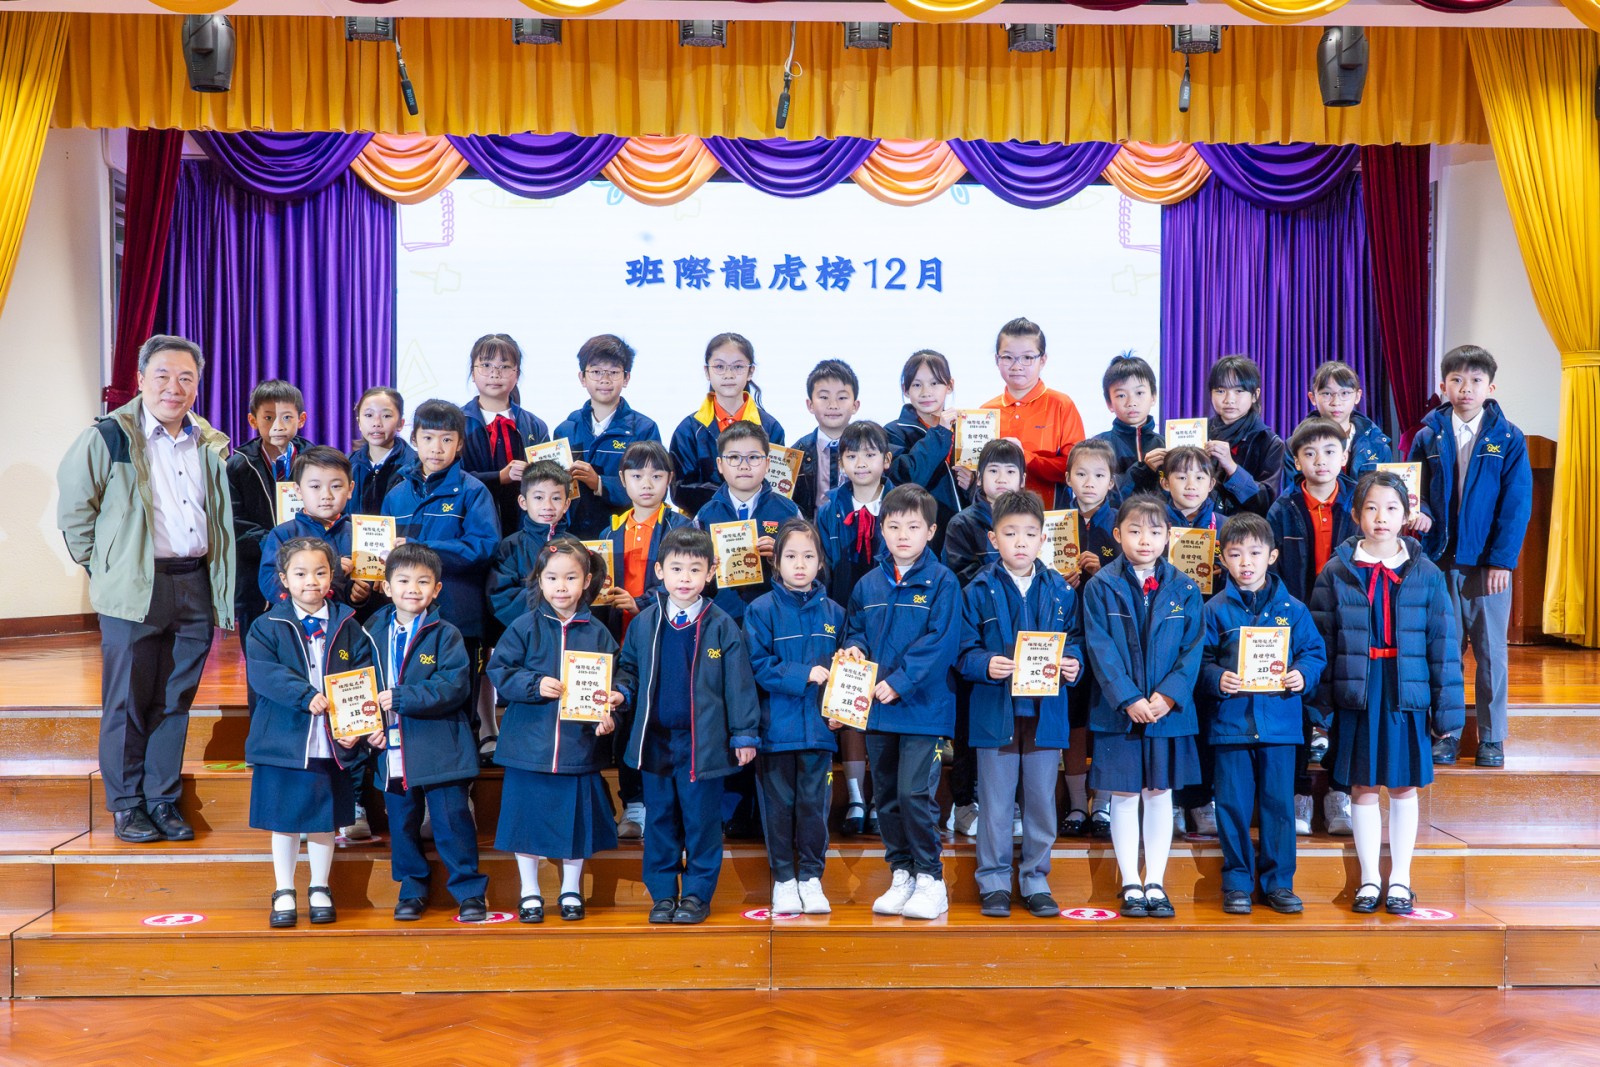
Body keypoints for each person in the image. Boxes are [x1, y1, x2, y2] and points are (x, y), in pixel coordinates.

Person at [57, 335, 235, 844]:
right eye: (162, 375)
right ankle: (127, 805)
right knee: (127, 700)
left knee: (174, 700)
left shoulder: (208, 442)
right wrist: (108, 569)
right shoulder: (109, 437)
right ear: (140, 380)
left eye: (186, 378)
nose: (173, 387)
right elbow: (76, 515)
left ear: (197, 386)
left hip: (193, 582)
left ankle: (161, 798)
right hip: (136, 587)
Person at [1311, 471, 1464, 915]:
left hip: (1405, 689)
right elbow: (1322, 644)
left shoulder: (1427, 574)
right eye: (1372, 508)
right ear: (1356, 514)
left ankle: (1400, 878)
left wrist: (1447, 712)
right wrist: (1320, 708)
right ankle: (1369, 879)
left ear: (1406, 514)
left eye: (1392, 508)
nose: (1381, 517)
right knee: (1361, 786)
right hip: (1358, 689)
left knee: (1402, 786)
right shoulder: (1335, 572)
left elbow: (1444, 646)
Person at [617, 526, 760, 925]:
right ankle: (663, 895)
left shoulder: (722, 625)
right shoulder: (645, 623)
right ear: (659, 571)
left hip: (704, 743)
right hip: (656, 741)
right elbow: (628, 670)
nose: (685, 578)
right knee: (660, 820)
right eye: (676, 569)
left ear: (710, 573)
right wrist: (620, 694)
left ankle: (696, 895)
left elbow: (739, 684)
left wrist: (744, 734)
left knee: (701, 823)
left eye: (695, 570)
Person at [957, 490, 1082, 919]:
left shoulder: (1061, 590)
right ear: (994, 539)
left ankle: (1035, 879)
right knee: (995, 802)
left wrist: (1074, 662)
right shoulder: (977, 589)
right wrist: (984, 664)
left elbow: (1077, 641)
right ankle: (993, 881)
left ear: (1043, 539)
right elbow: (962, 650)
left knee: (1042, 801)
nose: (1021, 542)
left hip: (1046, 712)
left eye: (1030, 533)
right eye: (1010, 534)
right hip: (996, 710)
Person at [1407, 345, 1532, 769]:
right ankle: (1446, 733)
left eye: (1476, 380)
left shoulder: (1508, 437)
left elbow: (1516, 505)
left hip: (1486, 566)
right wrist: (1420, 513)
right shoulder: (1427, 436)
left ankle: (1492, 738)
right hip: (1439, 561)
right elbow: (1413, 492)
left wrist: (1502, 561)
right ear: (1443, 385)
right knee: (1444, 652)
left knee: (1491, 653)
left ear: (1490, 388)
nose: (1466, 388)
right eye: (1457, 380)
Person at [841, 484, 961, 922]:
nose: (903, 535)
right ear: (882, 530)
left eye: (913, 527)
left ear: (930, 531)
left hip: (924, 710)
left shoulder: (943, 581)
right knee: (887, 796)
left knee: (915, 793)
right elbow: (855, 629)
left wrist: (901, 681)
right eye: (894, 527)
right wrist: (854, 649)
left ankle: (930, 878)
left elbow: (942, 642)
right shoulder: (868, 583)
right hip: (878, 710)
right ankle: (902, 873)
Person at [489, 539, 625, 924]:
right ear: (539, 581)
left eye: (570, 578)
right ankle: (529, 890)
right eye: (552, 578)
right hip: (527, 747)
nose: (561, 586)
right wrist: (534, 684)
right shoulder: (523, 626)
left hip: (577, 747)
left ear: (587, 581)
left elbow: (615, 682)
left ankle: (570, 888)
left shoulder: (598, 633)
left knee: (575, 826)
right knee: (525, 824)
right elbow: (500, 671)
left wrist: (609, 711)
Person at [1081, 493, 1204, 919]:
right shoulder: (1100, 586)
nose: (1145, 540)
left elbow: (1193, 648)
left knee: (1159, 793)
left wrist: (1168, 695)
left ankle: (1156, 881)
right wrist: (1128, 697)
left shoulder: (1185, 587)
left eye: (1154, 531)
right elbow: (1099, 647)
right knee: (1124, 793)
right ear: (1118, 535)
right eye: (1134, 531)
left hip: (1168, 711)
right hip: (1119, 712)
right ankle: (1131, 882)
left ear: (1169, 536)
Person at [245, 537, 378, 928]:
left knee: (325, 819)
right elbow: (264, 674)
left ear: (332, 576)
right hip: (284, 740)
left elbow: (362, 676)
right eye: (301, 573)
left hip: (330, 741)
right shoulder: (266, 625)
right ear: (284, 578)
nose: (311, 581)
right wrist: (305, 696)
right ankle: (284, 889)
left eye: (320, 572)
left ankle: (320, 886)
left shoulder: (349, 624)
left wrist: (357, 726)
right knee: (284, 820)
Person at [1201, 513, 1326, 915]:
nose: (1246, 562)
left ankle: (1278, 883)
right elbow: (1198, 660)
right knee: (1233, 807)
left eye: (1255, 553)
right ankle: (1237, 882)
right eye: (1235, 554)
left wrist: (1302, 674)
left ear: (1272, 556)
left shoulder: (1294, 609)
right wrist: (1216, 677)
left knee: (1278, 807)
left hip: (1280, 727)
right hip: (1231, 726)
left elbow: (1314, 653)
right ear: (1222, 558)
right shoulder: (1214, 610)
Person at [366, 542, 486, 923]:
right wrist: (370, 727)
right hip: (392, 746)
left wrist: (402, 697)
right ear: (386, 587)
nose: (412, 589)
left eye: (423, 581)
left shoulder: (446, 633)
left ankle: (469, 891)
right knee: (401, 823)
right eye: (403, 581)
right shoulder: (370, 631)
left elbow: (454, 687)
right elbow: (358, 685)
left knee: (452, 821)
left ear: (437, 589)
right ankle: (412, 887)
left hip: (441, 745)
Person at [381, 400, 500, 751]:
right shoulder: (397, 494)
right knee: (412, 694)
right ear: (413, 439)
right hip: (407, 619)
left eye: (447, 439)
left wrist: (422, 547)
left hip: (459, 615)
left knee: (460, 701)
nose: (437, 448)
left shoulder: (473, 491)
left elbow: (484, 546)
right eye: (428, 438)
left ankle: (461, 775)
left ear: (460, 444)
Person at [744, 519, 845, 916]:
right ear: (777, 563)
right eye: (790, 556)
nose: (799, 564)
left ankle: (811, 878)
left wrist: (842, 711)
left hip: (819, 731)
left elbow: (848, 671)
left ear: (820, 562)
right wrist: (804, 674)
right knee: (778, 808)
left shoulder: (836, 613)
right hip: (775, 731)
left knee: (814, 808)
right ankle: (784, 880)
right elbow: (757, 665)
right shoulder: (760, 610)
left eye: (808, 556)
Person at [1267, 417, 1358, 837]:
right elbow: (1273, 572)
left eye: (1329, 451)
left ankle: (1339, 791)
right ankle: (1300, 792)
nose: (1320, 460)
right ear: (1296, 461)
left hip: (1349, 620)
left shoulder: (1359, 501)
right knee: (1299, 702)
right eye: (1309, 453)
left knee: (1347, 702)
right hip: (1299, 621)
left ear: (1345, 456)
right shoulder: (1282, 509)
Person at [600, 441, 692, 840]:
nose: (647, 484)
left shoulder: (681, 527)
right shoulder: (610, 530)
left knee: (665, 718)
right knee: (627, 721)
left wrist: (639, 602)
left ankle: (670, 802)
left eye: (656, 476)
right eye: (637, 476)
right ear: (622, 480)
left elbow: (690, 581)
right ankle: (634, 803)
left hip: (666, 638)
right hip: (620, 641)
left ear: (669, 480)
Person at [940, 438, 1025, 839]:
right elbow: (957, 579)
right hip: (976, 638)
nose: (1001, 478)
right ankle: (963, 804)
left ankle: (1011, 803)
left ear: (1023, 478)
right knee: (968, 725)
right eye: (993, 470)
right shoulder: (963, 524)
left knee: (1018, 724)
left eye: (1010, 471)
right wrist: (1006, 568)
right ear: (978, 477)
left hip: (1021, 640)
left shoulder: (1033, 521)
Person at [1055, 438, 1120, 838]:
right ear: (1067, 479)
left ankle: (1105, 804)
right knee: (1074, 720)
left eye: (1099, 475)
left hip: (1112, 637)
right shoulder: (1055, 524)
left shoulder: (1121, 524)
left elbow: (1135, 576)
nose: (1089, 482)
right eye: (1081, 474)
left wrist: (1104, 571)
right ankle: (1078, 804)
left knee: (1109, 718)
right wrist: (1059, 582)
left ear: (1112, 481)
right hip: (1069, 637)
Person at [228, 379, 312, 648]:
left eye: (286, 417)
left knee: (306, 651)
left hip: (310, 571)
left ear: (301, 419)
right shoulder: (238, 465)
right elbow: (232, 521)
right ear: (253, 420)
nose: (278, 426)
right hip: (256, 576)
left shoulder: (317, 461)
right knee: (258, 650)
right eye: (268, 417)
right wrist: (275, 544)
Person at [692, 420, 802, 625]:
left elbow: (812, 570)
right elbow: (691, 577)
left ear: (767, 463)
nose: (744, 465)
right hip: (721, 618)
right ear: (720, 464)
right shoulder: (705, 516)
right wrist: (706, 567)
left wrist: (782, 557)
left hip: (777, 618)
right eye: (734, 457)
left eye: (753, 457)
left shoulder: (789, 512)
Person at [554, 334, 662, 540]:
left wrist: (599, 483)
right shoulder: (565, 430)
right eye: (596, 372)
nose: (604, 379)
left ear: (626, 378)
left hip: (626, 536)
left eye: (613, 372)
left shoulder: (644, 430)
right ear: (582, 378)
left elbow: (655, 487)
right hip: (573, 538)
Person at [669, 333, 785, 515]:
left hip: (758, 523)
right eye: (719, 367)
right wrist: (730, 498)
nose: (729, 375)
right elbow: (680, 490)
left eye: (738, 367)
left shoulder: (770, 428)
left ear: (750, 372)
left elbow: (777, 487)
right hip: (703, 523)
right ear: (707, 371)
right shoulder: (689, 429)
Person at [981, 317, 1086, 503]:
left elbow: (1077, 468)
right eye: (1007, 357)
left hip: (1050, 515)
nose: (1017, 366)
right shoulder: (986, 412)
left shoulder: (1061, 405)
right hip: (996, 518)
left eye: (1027, 358)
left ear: (1042, 360)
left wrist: (1026, 457)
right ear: (997, 360)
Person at [459, 333, 551, 537]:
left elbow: (551, 480)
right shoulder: (457, 424)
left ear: (517, 374)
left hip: (525, 530)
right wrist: (499, 477)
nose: (495, 374)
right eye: (486, 365)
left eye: (505, 366)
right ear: (473, 373)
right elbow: (451, 478)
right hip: (471, 529)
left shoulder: (535, 426)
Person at [883, 350, 971, 555]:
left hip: (966, 538)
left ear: (949, 386)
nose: (926, 392)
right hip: (922, 540)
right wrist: (940, 433)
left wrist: (973, 483)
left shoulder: (967, 427)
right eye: (916, 385)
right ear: (905, 389)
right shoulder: (894, 432)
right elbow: (908, 478)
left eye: (934, 383)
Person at [486, 461, 573, 631]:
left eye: (556, 498)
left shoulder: (576, 547)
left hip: (568, 632)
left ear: (566, 504)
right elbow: (500, 597)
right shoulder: (510, 546)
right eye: (539, 498)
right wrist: (547, 599)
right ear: (523, 502)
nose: (548, 506)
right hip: (524, 633)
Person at [815, 420, 893, 608]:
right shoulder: (828, 512)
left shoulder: (903, 509)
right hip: (841, 607)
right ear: (841, 463)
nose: (860, 464)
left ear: (887, 459)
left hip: (891, 607)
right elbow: (823, 571)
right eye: (851, 456)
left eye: (870, 455)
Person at [1281, 361, 1392, 480]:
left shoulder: (1377, 445)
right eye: (1327, 393)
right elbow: (1291, 489)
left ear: (1357, 396)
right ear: (1313, 398)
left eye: (1345, 393)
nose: (1336, 402)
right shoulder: (1295, 445)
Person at [1206, 355, 1285, 516]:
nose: (1229, 400)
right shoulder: (1199, 432)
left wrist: (1231, 467)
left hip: (1245, 529)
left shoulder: (1270, 442)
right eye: (1220, 391)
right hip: (1200, 527)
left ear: (1255, 395)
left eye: (1239, 391)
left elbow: (1265, 502)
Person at [789, 359, 861, 521]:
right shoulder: (795, 453)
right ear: (810, 405)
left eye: (842, 397)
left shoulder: (870, 450)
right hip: (812, 533)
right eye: (824, 397)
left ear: (855, 405)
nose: (833, 405)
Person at [1094, 352, 1164, 503]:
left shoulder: (1166, 444)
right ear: (1109, 403)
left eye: (1139, 393)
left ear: (1153, 397)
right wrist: (1143, 469)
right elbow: (1099, 496)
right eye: (1121, 395)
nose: (1131, 402)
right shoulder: (1098, 446)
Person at [349, 386, 413, 517]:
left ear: (400, 423)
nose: (376, 423)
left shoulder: (413, 467)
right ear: (359, 422)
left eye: (386, 416)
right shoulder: (348, 465)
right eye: (369, 415)